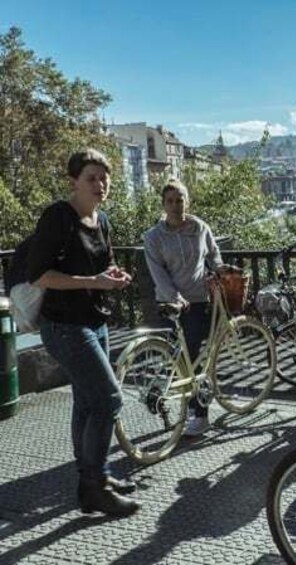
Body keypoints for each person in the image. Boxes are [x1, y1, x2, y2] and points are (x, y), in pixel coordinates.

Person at [27, 149, 139, 516]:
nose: (100, 184)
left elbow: (102, 265)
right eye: (91, 177)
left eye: (104, 178)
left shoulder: (101, 220)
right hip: (63, 326)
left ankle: (90, 480)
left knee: (87, 401)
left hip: (95, 320)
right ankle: (96, 484)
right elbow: (40, 275)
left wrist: (114, 275)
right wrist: (95, 280)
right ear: (73, 181)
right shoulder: (59, 217)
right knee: (109, 400)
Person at [143, 179, 228, 437]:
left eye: (179, 200)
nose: (175, 205)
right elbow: (157, 273)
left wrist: (221, 269)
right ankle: (198, 414)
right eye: (170, 201)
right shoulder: (154, 237)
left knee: (192, 356)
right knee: (186, 358)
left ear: (186, 202)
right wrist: (175, 297)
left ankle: (177, 394)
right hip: (172, 302)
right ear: (163, 205)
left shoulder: (200, 228)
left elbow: (213, 254)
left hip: (201, 299)